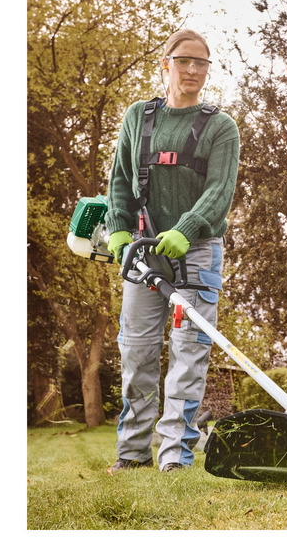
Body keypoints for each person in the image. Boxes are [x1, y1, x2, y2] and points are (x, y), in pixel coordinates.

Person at [103, 29, 240, 473]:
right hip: (144, 252)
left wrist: (187, 228)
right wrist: (119, 230)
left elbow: (220, 190)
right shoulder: (138, 118)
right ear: (166, 64)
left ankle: (175, 457)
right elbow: (120, 181)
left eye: (202, 63)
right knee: (137, 352)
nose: (193, 70)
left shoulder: (221, 127)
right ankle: (132, 453)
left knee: (188, 352)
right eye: (184, 61)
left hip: (196, 251)